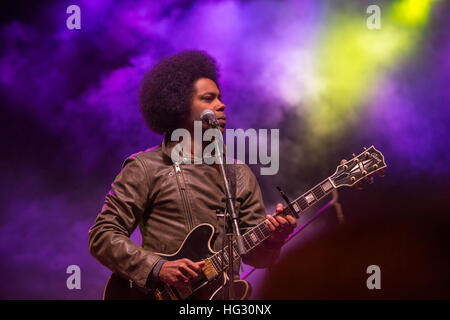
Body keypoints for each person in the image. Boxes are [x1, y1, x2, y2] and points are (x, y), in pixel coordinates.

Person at [88, 50, 296, 299]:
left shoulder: (239, 173)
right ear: (180, 108)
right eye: (209, 99)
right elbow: (103, 234)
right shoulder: (145, 167)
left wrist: (275, 238)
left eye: (220, 98)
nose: (221, 105)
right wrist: (157, 267)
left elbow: (257, 257)